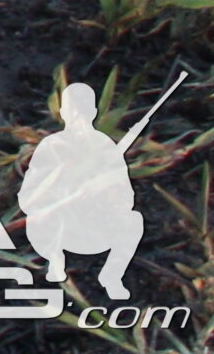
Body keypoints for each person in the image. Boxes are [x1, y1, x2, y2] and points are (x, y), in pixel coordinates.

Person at [21, 81, 144, 300]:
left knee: (134, 221)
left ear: (94, 112)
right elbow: (29, 194)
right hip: (57, 224)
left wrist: (102, 193)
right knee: (47, 217)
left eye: (83, 110)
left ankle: (112, 276)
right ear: (63, 112)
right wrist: (62, 191)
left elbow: (126, 196)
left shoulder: (105, 147)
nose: (78, 117)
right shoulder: (52, 146)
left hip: (95, 225)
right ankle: (55, 263)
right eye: (73, 110)